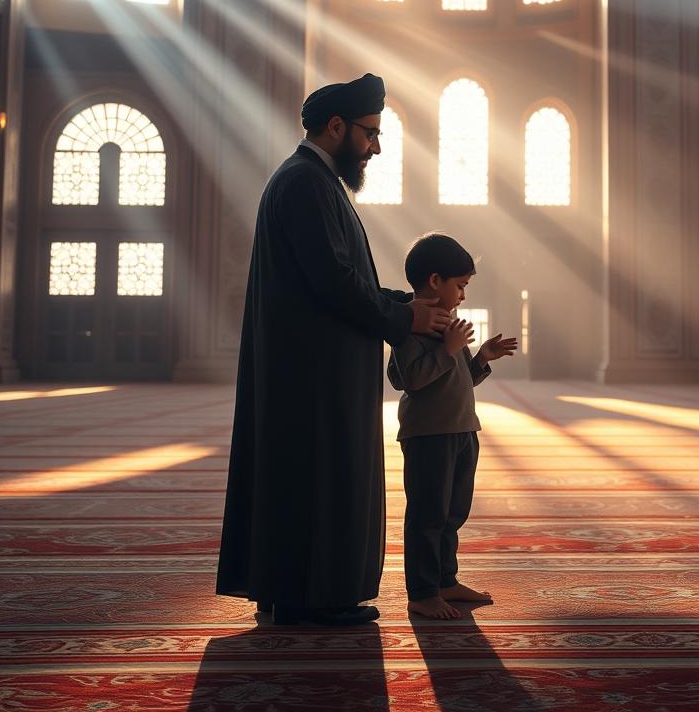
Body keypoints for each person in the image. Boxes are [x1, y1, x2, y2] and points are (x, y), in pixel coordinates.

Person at [216, 74, 452, 627]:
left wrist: (405, 306)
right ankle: (312, 598)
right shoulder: (305, 184)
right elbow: (334, 283)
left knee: (305, 476)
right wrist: (405, 315)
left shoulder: (313, 181)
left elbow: (346, 281)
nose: (376, 146)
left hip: (315, 366)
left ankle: (289, 590)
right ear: (337, 127)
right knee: (317, 478)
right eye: (370, 133)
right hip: (314, 375)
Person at [387, 233, 517, 620]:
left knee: (452, 512)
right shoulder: (415, 322)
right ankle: (422, 592)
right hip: (429, 434)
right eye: (459, 286)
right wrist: (447, 349)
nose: (462, 295)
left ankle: (446, 580)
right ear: (434, 281)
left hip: (461, 429)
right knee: (428, 514)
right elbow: (412, 381)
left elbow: (455, 380)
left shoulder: (446, 322)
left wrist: (479, 358)